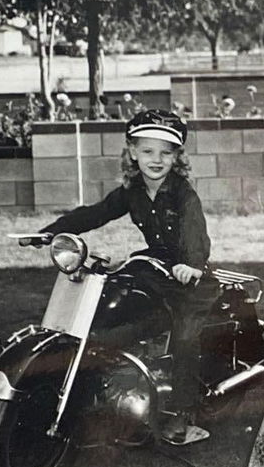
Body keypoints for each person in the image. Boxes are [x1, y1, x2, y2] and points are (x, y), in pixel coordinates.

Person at [38, 109, 214, 446]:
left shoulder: (183, 194)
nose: (156, 160)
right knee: (106, 305)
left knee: (185, 337)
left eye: (166, 152)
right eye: (147, 151)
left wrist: (192, 264)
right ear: (133, 152)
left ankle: (183, 413)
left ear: (177, 156)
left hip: (189, 280)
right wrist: (52, 231)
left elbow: (196, 232)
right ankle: (89, 388)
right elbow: (96, 213)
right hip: (152, 269)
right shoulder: (132, 191)